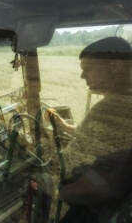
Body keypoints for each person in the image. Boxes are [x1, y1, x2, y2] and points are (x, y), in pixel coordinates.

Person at [47, 37, 132, 223]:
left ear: (115, 67)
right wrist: (64, 126)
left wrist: (55, 188)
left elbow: (93, 179)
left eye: (88, 69)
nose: (82, 76)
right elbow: (103, 141)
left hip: (80, 211)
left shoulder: (112, 108)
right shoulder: (119, 106)